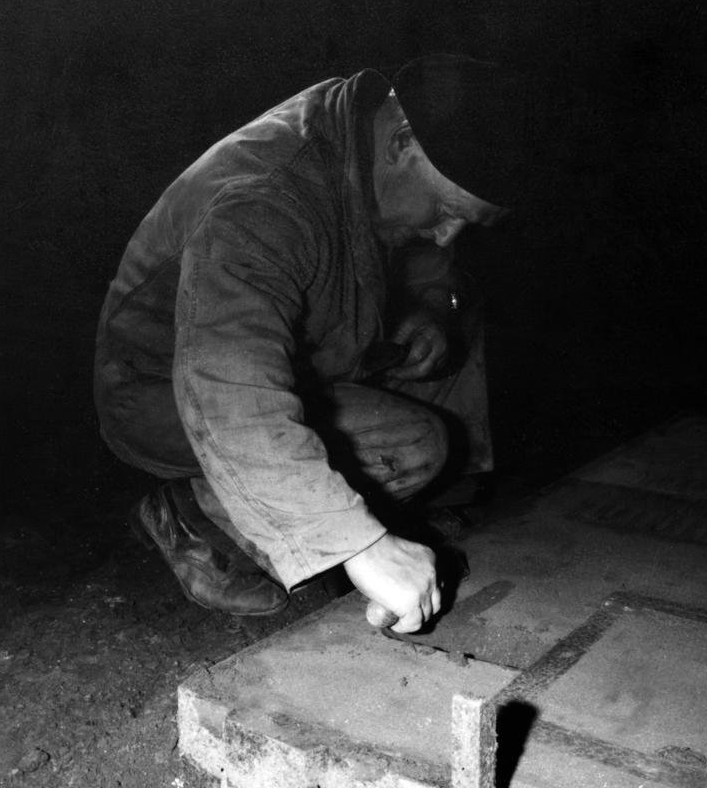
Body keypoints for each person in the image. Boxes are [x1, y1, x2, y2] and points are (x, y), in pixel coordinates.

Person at [94, 54, 528, 633]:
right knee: (418, 445)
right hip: (162, 389)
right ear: (401, 142)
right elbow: (230, 387)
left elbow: (432, 258)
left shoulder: (370, 141)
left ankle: (417, 508)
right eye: (447, 210)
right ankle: (197, 515)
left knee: (461, 317)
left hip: (307, 356)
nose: (448, 233)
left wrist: (429, 307)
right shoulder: (265, 199)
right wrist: (361, 546)